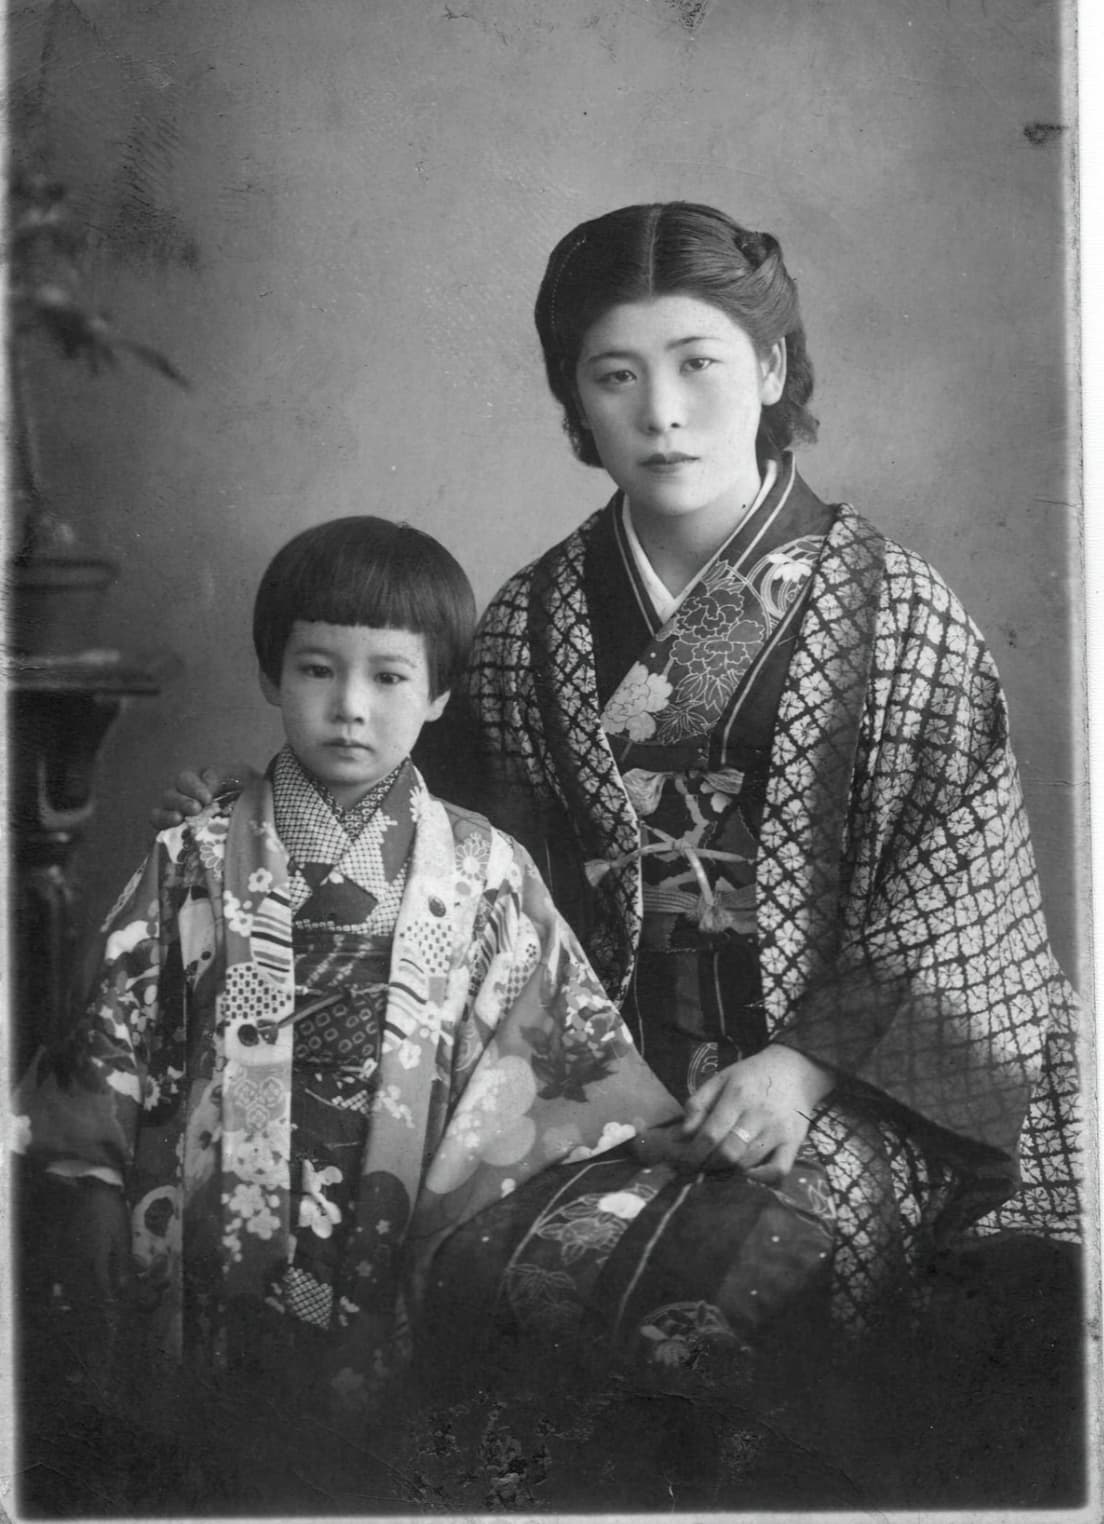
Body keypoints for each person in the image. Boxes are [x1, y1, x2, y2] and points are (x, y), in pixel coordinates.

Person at [149, 203, 1084, 1496]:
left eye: (701, 362)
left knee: (737, 1287)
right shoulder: (533, 623)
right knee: (450, 1269)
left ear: (770, 372)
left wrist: (804, 1071)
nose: (664, 411)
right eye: (615, 374)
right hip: (572, 1088)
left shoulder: (897, 614)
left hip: (851, 1096)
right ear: (575, 405)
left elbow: (955, 893)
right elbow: (442, 839)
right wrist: (258, 822)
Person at [12, 515, 695, 1505]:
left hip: (403, 1195)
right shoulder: (193, 859)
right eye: (317, 669)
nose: (348, 708)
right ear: (271, 675)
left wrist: (656, 1131)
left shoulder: (485, 870)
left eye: (388, 677)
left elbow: (567, 1057)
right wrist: (84, 1185)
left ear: (441, 692)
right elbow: (100, 1062)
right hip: (213, 1223)